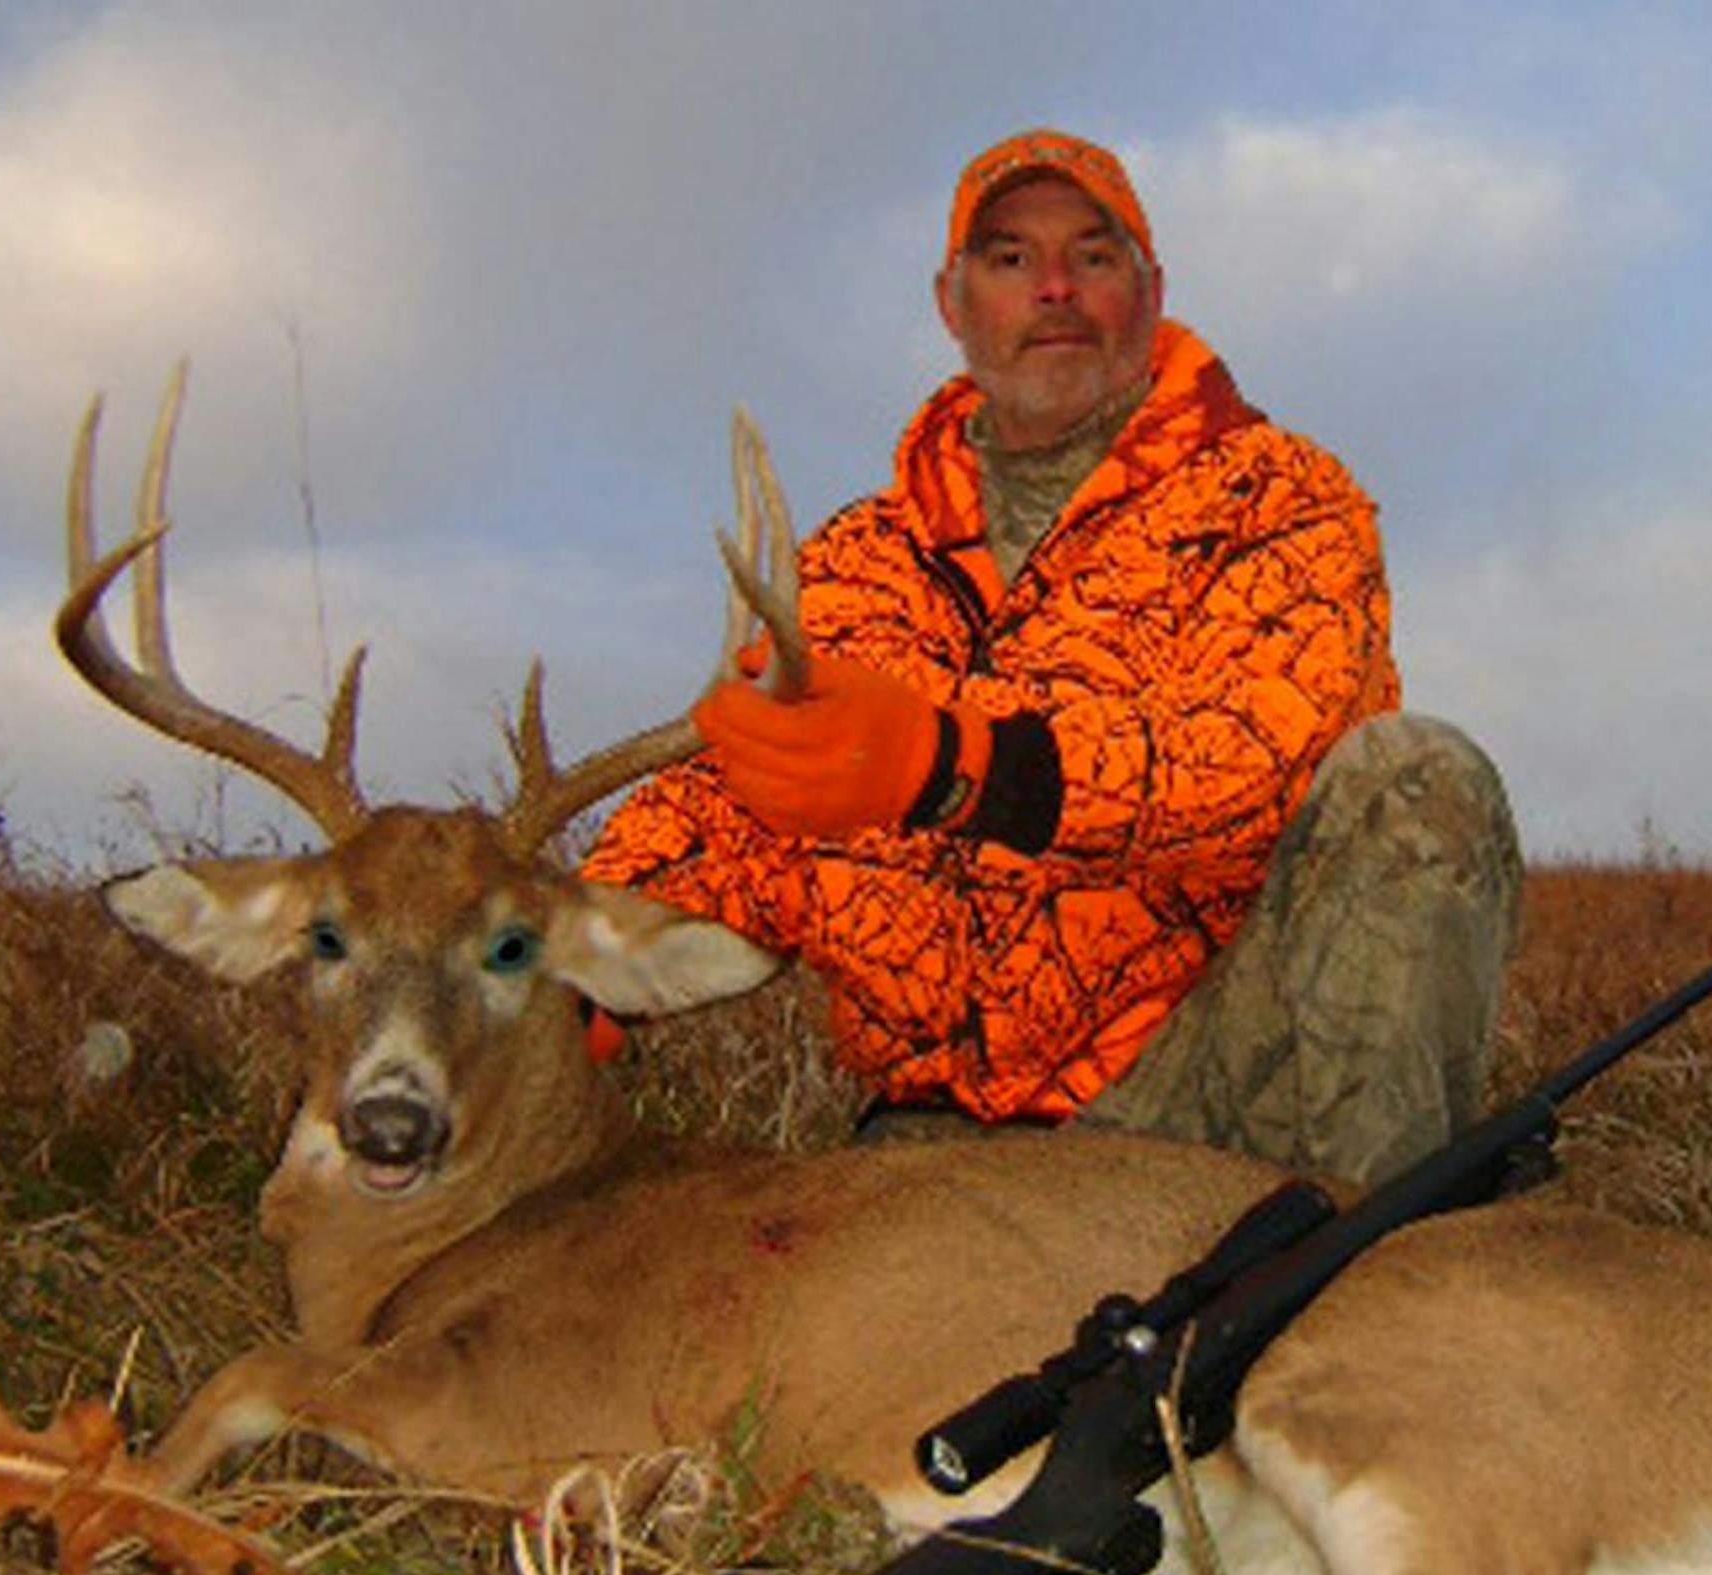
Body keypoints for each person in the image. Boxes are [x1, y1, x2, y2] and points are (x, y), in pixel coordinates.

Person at [584, 128, 1522, 1187]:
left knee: (1417, 781)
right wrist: (573, 970)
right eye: (1010, 258)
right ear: (952, 301)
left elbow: (1260, 759)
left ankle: (1368, 1267)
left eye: (1095, 253)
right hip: (931, 1144)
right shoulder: (851, 566)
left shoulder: (1275, 500)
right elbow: (729, 808)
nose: (1057, 288)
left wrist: (959, 766)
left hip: (1208, 1097)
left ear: (1150, 287)